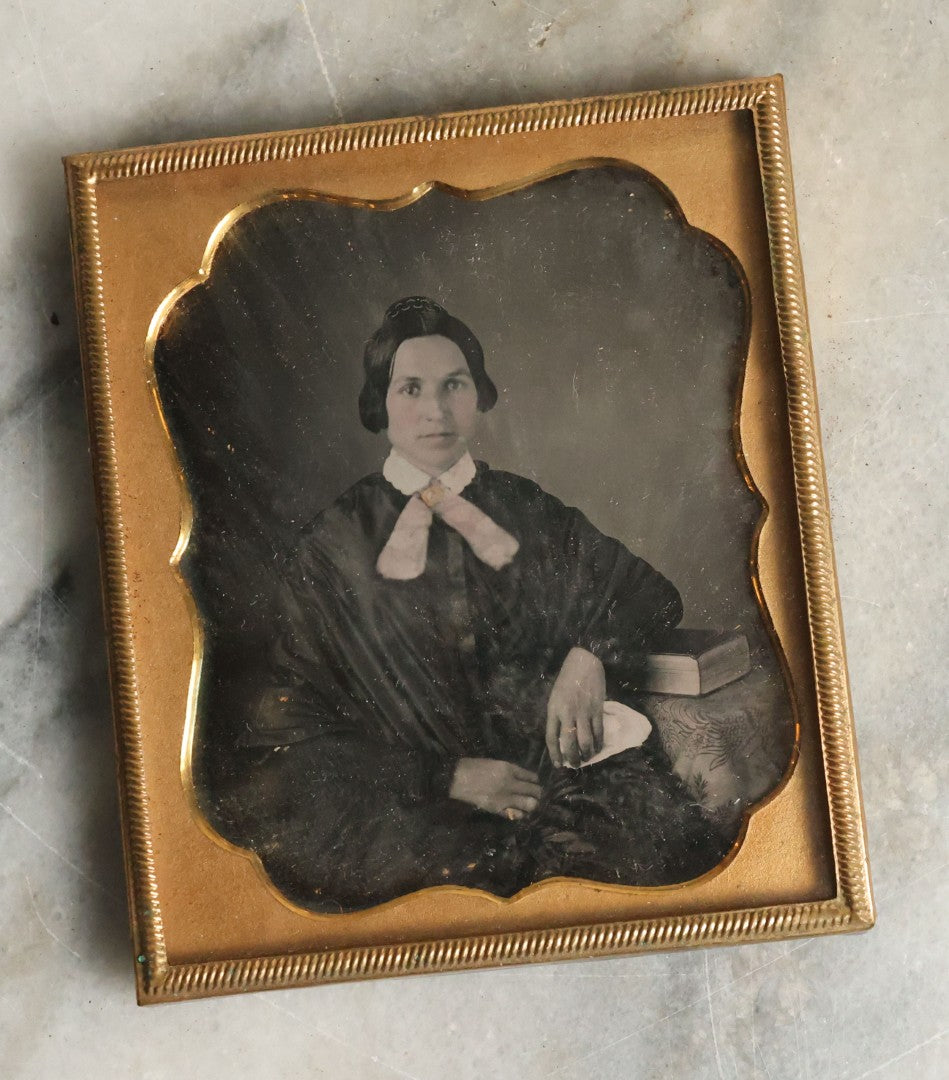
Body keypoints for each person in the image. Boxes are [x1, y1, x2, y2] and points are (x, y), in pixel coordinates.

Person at [232, 297, 729, 912]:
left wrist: (589, 655)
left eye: (454, 385)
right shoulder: (332, 546)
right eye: (410, 388)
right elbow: (291, 731)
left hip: (556, 784)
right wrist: (445, 777)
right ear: (380, 405)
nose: (435, 411)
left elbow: (648, 593)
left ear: (479, 397)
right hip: (413, 809)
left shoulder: (526, 508)